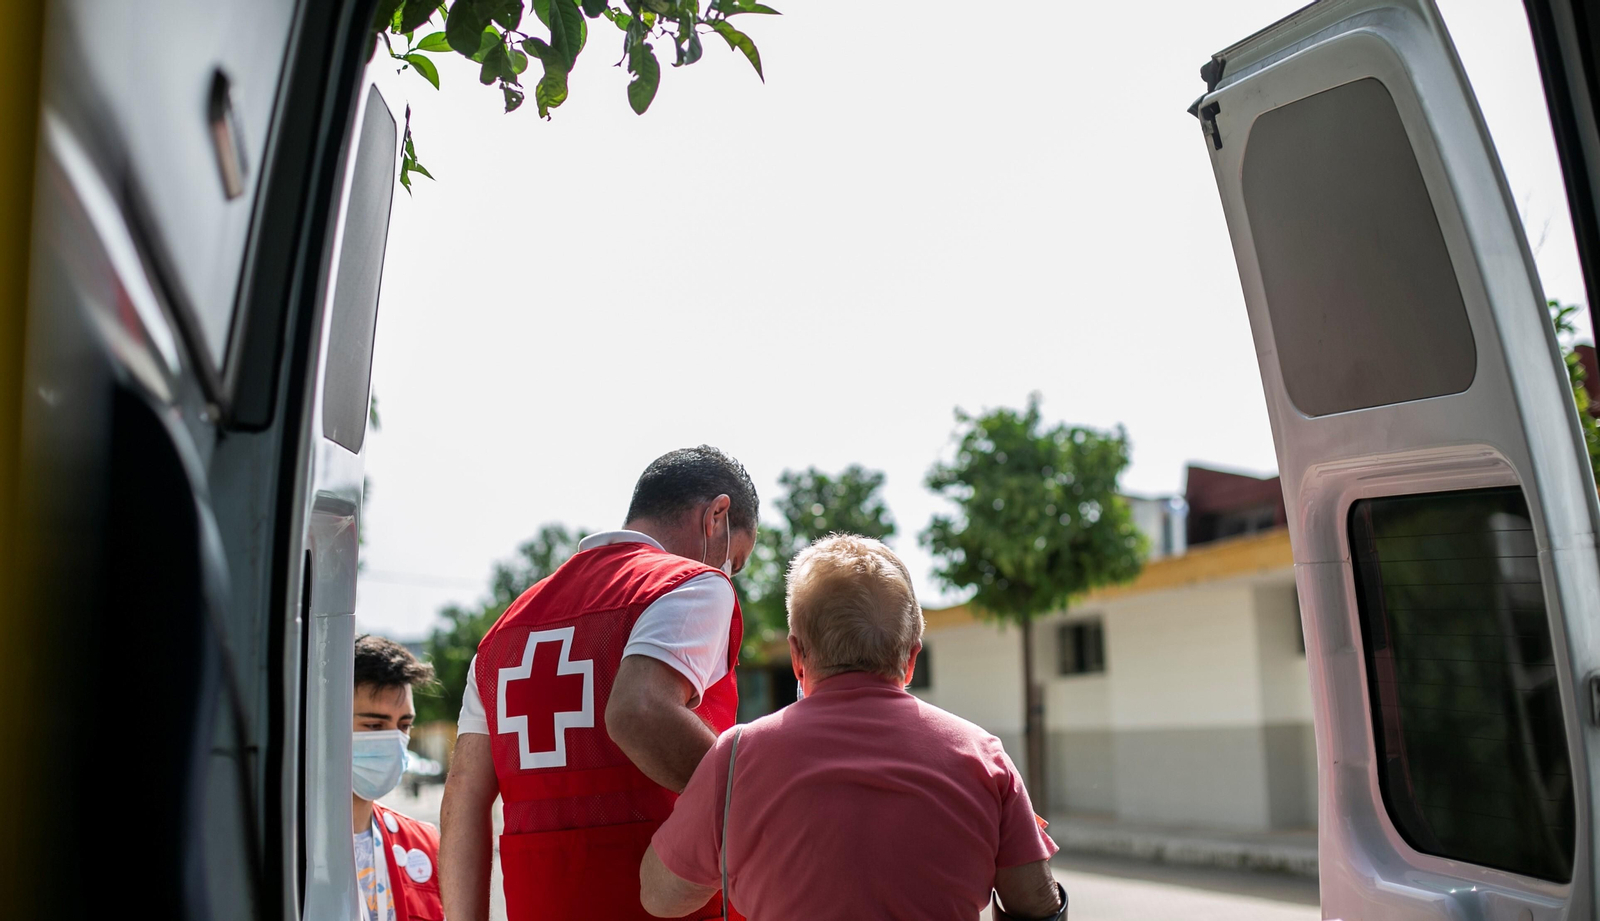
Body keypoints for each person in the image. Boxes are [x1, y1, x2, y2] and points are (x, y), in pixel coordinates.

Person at [640, 534, 1068, 921]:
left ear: (797, 656)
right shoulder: (983, 757)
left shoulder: (736, 757)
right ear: (911, 658)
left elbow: (660, 897)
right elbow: (1035, 904)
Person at [440, 445, 759, 921]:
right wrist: (759, 805)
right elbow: (640, 710)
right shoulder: (692, 585)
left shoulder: (504, 631)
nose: (729, 573)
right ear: (717, 517)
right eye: (737, 559)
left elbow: (464, 795)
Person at [351, 634, 443, 921]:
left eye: (404, 725)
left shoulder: (424, 845)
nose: (394, 740)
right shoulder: (285, 844)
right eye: (374, 725)